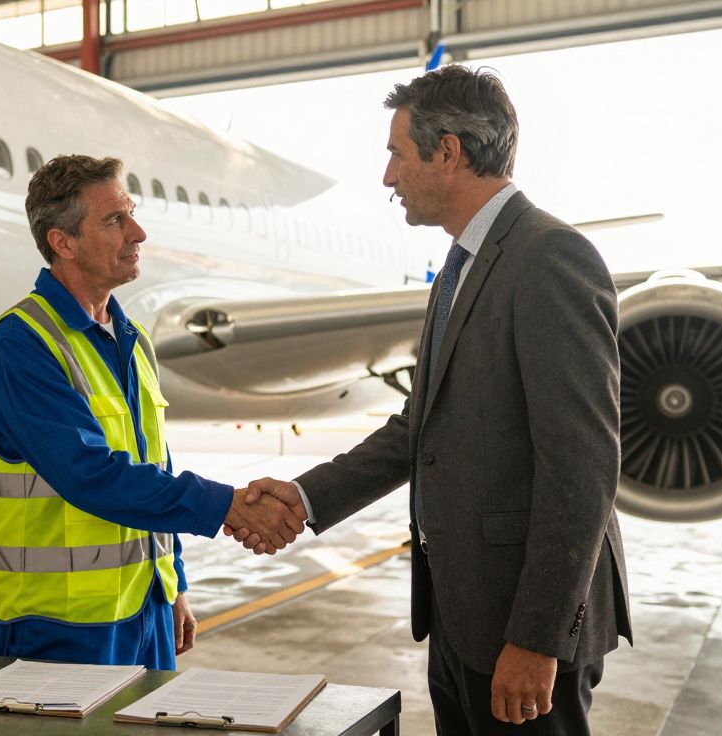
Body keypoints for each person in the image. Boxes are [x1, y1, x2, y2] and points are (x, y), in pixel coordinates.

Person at [234, 66, 632, 734]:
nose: (388, 176)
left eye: (396, 154)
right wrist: (304, 499)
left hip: (520, 627)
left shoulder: (548, 256)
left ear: (447, 152)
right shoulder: (459, 266)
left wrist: (537, 639)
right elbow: (416, 430)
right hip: (462, 616)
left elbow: (583, 466)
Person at [0, 154, 304, 671]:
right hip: (60, 627)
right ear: (63, 242)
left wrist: (173, 587)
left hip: (144, 608)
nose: (138, 232)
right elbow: (90, 475)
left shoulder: (132, 340)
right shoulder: (20, 346)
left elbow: (152, 469)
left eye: (132, 213)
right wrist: (226, 506)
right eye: (115, 220)